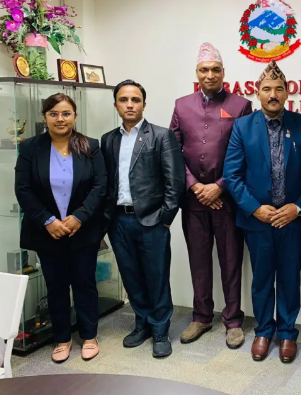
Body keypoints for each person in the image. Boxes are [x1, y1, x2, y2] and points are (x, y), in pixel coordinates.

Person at [224, 60, 301, 363]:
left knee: (289, 278)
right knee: (262, 278)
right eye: (266, 89)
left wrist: (297, 207)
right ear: (258, 93)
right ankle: (264, 330)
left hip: (292, 220)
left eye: (278, 89)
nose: (272, 94)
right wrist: (254, 209)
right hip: (258, 222)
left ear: (287, 92)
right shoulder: (242, 126)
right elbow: (232, 175)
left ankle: (287, 332)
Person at [170, 43, 252, 348]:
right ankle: (202, 316)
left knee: (231, 260)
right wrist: (194, 185)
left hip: (227, 199)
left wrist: (219, 185)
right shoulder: (181, 105)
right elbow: (173, 152)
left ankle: (233, 320)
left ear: (223, 73)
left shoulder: (240, 105)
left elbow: (244, 152)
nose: (210, 75)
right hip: (193, 200)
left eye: (215, 70)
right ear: (196, 73)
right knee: (199, 260)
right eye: (204, 70)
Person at [15, 93, 107, 363]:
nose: (60, 119)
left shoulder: (90, 146)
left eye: (66, 113)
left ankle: (89, 336)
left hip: (83, 229)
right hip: (47, 231)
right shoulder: (30, 147)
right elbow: (23, 189)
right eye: (53, 113)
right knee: (55, 286)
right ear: (44, 117)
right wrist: (48, 220)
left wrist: (79, 217)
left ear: (74, 116)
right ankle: (62, 339)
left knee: (84, 283)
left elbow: (100, 186)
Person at [101, 80, 186, 359]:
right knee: (131, 276)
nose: (129, 105)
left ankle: (160, 329)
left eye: (135, 100)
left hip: (152, 221)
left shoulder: (161, 136)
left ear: (144, 104)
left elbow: (175, 182)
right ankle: (143, 323)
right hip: (118, 221)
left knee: (157, 277)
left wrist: (165, 218)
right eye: (123, 100)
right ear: (116, 104)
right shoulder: (108, 139)